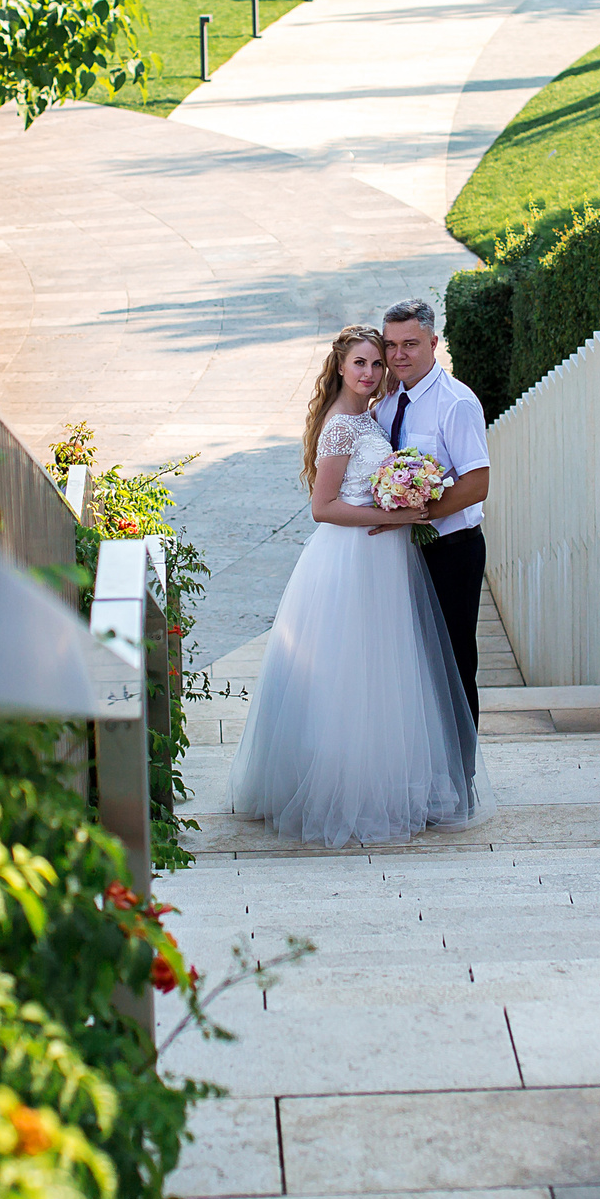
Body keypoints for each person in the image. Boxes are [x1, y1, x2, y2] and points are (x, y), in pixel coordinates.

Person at [227, 326, 486, 846]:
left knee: (387, 672)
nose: (371, 372)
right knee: (350, 673)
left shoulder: (376, 413)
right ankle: (345, 791)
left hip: (386, 557)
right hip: (351, 557)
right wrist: (395, 514)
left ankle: (392, 781)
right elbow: (323, 508)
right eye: (361, 363)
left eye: (377, 363)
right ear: (340, 366)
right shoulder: (342, 426)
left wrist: (403, 507)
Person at [376, 298, 493, 735]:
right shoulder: (388, 401)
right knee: (409, 662)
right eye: (391, 345)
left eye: (410, 344)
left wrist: (415, 517)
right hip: (400, 553)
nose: (398, 355)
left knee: (453, 662)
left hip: (452, 553)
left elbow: (477, 483)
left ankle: (462, 773)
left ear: (433, 342)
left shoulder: (455, 402)